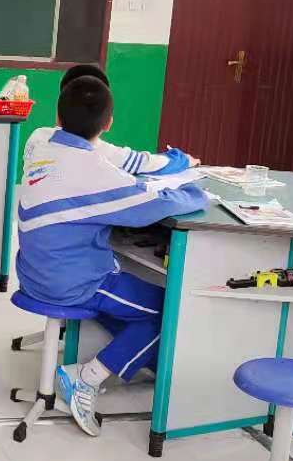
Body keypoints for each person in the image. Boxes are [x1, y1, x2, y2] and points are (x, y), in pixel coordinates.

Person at [18, 76, 210, 437]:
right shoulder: (94, 169)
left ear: (57, 115)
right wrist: (199, 193)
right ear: (108, 123)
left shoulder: (40, 143)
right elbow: (154, 204)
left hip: (32, 273)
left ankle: (137, 356)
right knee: (171, 309)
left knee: (136, 304)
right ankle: (86, 378)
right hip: (72, 282)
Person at [24, 64, 199, 177]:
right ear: (108, 122)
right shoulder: (105, 154)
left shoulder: (38, 137)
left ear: (58, 114)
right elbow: (149, 163)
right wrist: (183, 159)